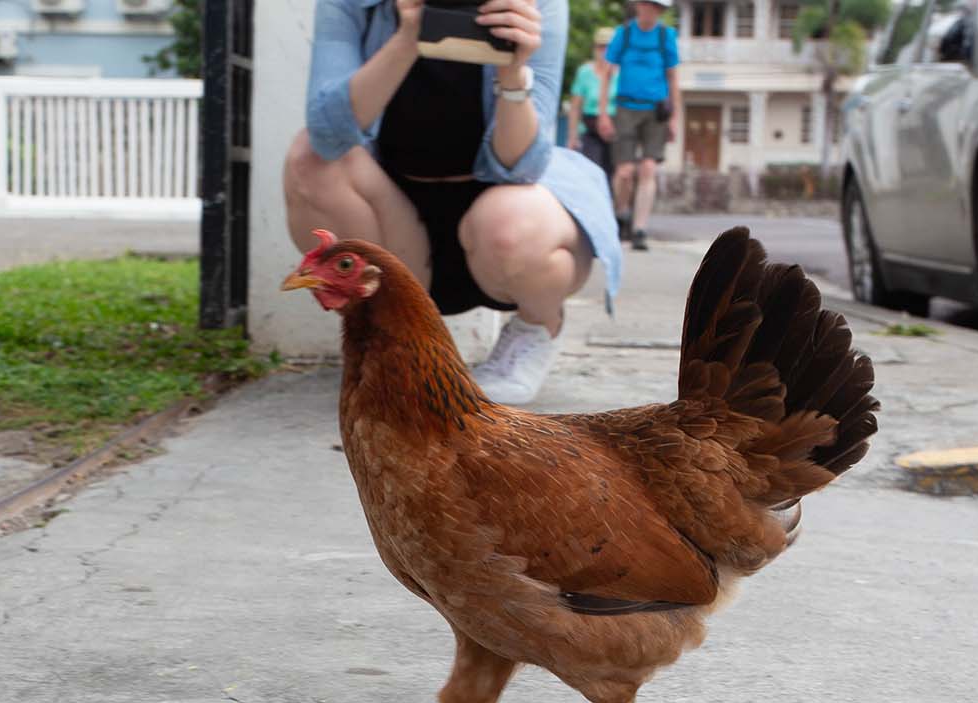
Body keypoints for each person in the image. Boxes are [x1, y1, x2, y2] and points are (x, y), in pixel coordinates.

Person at [284, 0, 622, 406]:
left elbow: (522, 167)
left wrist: (513, 71)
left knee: (514, 225)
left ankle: (536, 327)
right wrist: (410, 34)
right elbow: (327, 135)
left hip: (493, 211)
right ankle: (395, 340)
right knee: (311, 162)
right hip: (392, 215)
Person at [599, 0, 681, 252]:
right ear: (638, 5)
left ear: (661, 11)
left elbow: (673, 77)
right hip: (625, 107)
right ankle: (619, 212)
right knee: (624, 172)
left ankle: (639, 229)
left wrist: (675, 117)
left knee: (648, 169)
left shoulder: (665, 36)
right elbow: (607, 74)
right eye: (647, 4)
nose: (650, 10)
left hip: (655, 109)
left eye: (656, 6)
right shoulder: (623, 34)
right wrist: (603, 113)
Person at [565, 26, 617, 179]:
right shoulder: (585, 72)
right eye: (601, 47)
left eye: (608, 47)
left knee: (615, 174)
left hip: (615, 129)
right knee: (591, 170)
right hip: (590, 128)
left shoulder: (622, 73)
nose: (604, 51)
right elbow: (575, 107)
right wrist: (572, 136)